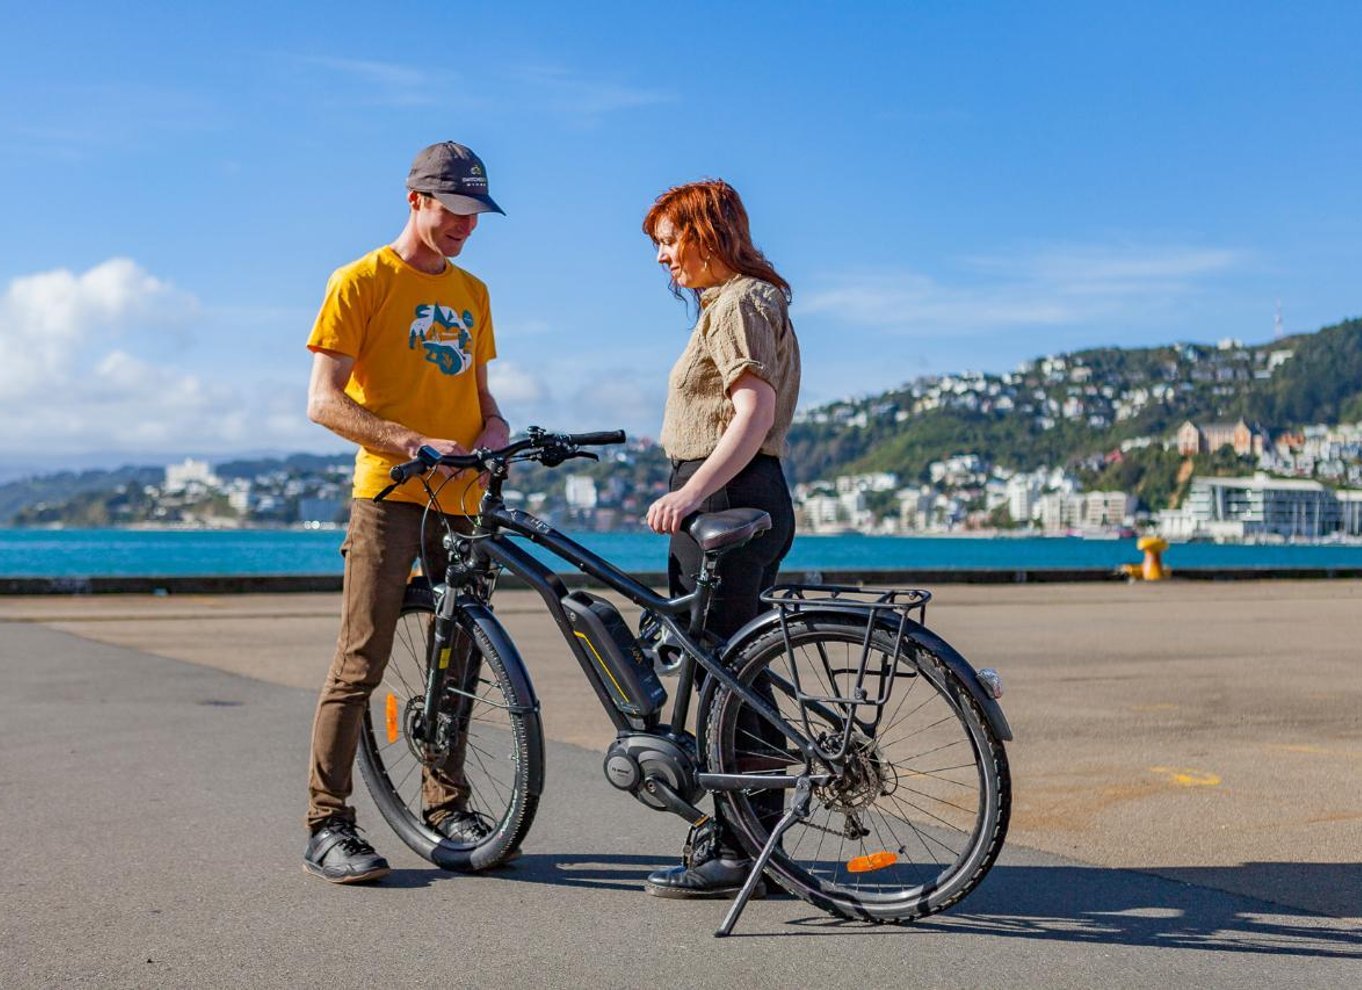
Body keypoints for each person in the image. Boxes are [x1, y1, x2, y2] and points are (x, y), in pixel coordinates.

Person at [302, 141, 511, 883]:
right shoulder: (361, 281)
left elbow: (484, 405)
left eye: (475, 213)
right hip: (389, 497)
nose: (465, 226)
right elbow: (322, 401)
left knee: (460, 659)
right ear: (415, 199)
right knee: (362, 661)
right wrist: (410, 441)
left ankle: (446, 804)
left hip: (464, 502)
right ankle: (327, 823)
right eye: (453, 210)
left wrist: (494, 436)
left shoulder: (474, 292)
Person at [641, 179, 801, 898]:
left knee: (724, 677)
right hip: (747, 493)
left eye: (671, 241)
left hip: (726, 499)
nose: (663, 258)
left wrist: (692, 490)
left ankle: (738, 848)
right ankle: (745, 835)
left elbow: (754, 411)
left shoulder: (736, 303)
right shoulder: (748, 300)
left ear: (709, 233)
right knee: (737, 669)